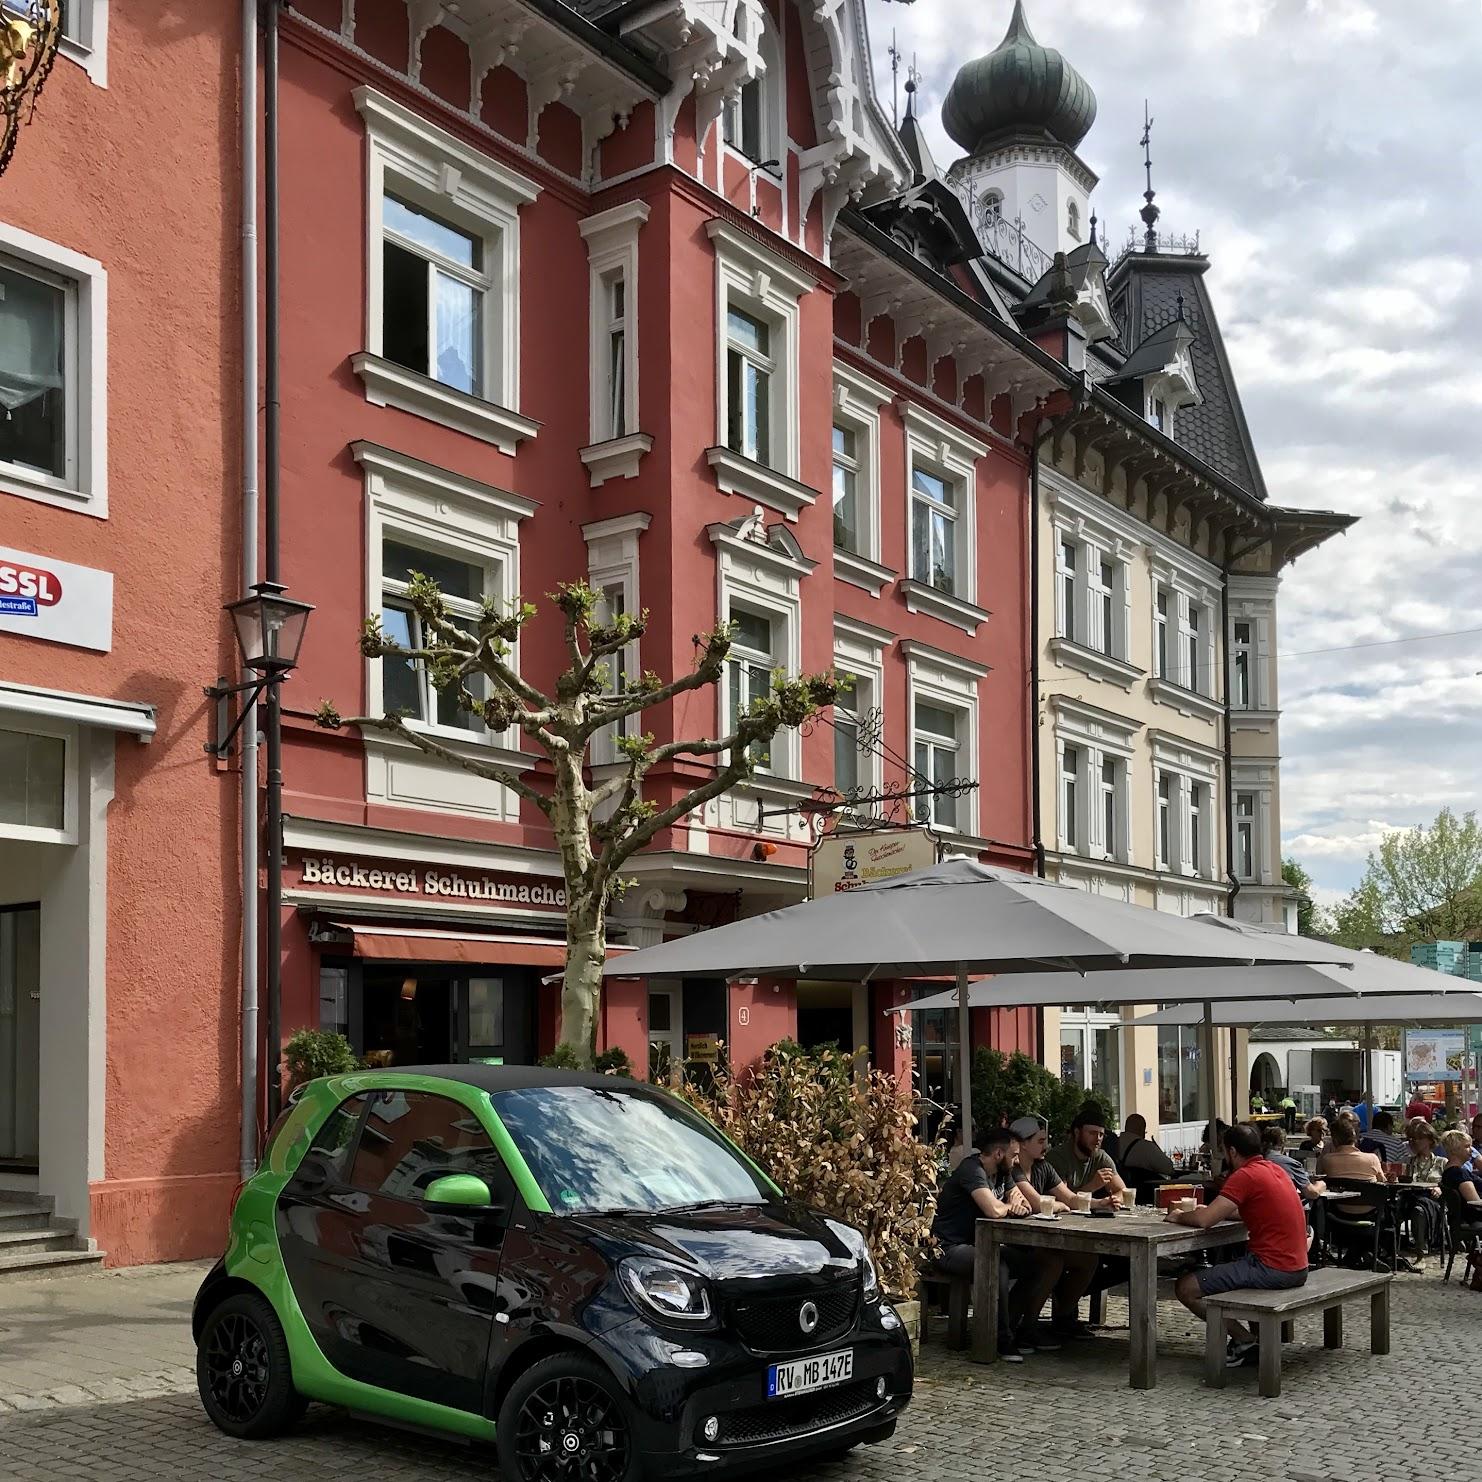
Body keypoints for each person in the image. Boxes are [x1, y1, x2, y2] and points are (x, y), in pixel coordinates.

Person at [1170, 1123, 1309, 1367]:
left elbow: (1203, 1221)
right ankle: (1246, 1340)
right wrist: (1215, 1211)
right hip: (1297, 1266)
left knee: (1186, 1287)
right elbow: (1249, 1212)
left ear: (1232, 1151)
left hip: (1272, 1268)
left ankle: (1245, 1341)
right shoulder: (1274, 1170)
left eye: (1224, 1151)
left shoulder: (1244, 1175)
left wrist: (1180, 1215)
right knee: (1228, 1269)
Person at [928, 1128, 1043, 1363]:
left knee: (1034, 1264)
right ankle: (999, 1339)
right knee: (996, 1264)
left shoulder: (1003, 1172)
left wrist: (1009, 1205)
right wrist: (1007, 1206)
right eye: (1013, 1155)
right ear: (999, 1153)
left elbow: (1022, 1202)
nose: (1017, 1160)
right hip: (947, 1247)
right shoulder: (972, 1170)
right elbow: (993, 1209)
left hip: (978, 1245)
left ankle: (1011, 1325)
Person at [1008, 1115, 1106, 1341]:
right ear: (1023, 1143)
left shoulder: (1043, 1167)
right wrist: (1060, 1204)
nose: (1046, 1146)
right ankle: (1027, 1327)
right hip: (1017, 1241)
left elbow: (1070, 1198)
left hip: (1042, 1239)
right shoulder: (1013, 1171)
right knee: (1052, 1261)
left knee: (1088, 1259)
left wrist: (1101, 1203)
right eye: (1040, 1141)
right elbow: (1037, 1203)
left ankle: (1062, 1317)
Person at [1049, 1105, 1129, 1199]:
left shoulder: (1101, 1157)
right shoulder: (1058, 1157)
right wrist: (1092, 1186)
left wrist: (1112, 1200)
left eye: (1101, 1134)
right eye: (1092, 1133)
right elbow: (1064, 1199)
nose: (1098, 1138)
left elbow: (1123, 1192)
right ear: (1077, 1132)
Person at [1260, 1123, 1324, 1199]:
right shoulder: (1290, 1164)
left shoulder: (1253, 1161)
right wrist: (1320, 1185)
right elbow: (1311, 1193)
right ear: (1282, 1144)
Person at [1116, 1113, 1175, 1188]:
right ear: (1141, 1129)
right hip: (1146, 1194)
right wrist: (1157, 1148)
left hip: (1121, 1190)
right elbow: (1168, 1169)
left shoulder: (1114, 1143)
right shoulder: (1147, 1147)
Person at [1441, 1129, 1482, 1224]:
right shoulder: (1459, 1173)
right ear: (1455, 1150)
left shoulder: (1449, 1172)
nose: (1471, 1150)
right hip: (1472, 1219)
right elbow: (1475, 1203)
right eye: (1467, 1146)